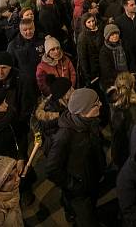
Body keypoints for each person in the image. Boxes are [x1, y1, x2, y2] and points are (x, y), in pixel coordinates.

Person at [46, 88, 105, 226]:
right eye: (96, 103)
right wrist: (73, 185)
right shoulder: (64, 136)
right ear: (83, 111)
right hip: (78, 192)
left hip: (92, 180)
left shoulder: (91, 122)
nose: (101, 104)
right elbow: (52, 169)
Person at [108, 71, 136, 169]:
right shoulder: (132, 109)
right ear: (132, 86)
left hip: (117, 151)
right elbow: (135, 133)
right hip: (129, 153)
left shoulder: (112, 104)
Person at [100, 23, 130, 91]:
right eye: (112, 34)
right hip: (112, 82)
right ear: (107, 37)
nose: (115, 36)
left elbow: (130, 59)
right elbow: (107, 70)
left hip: (127, 77)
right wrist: (122, 77)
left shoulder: (124, 44)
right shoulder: (104, 51)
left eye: (116, 34)